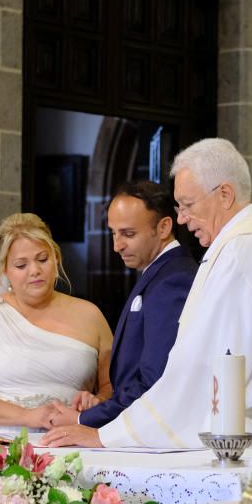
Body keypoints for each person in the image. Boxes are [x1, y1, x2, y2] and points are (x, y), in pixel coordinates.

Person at [42, 138, 252, 451]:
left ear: (224, 194)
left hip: (234, 443)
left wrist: (106, 436)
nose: (182, 219)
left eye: (187, 205)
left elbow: (195, 370)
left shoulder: (239, 253)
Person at [0, 213, 113, 436]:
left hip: (68, 440)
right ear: (5, 270)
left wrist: (96, 401)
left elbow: (112, 386)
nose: (34, 270)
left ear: (56, 258)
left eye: (42, 259)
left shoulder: (91, 315)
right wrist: (29, 416)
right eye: (21, 264)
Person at [49, 181, 197, 429]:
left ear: (163, 227)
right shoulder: (161, 273)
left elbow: (154, 380)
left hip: (153, 430)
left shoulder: (173, 280)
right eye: (113, 233)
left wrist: (81, 419)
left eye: (128, 234)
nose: (117, 246)